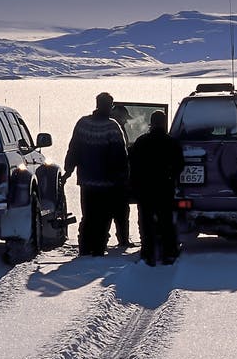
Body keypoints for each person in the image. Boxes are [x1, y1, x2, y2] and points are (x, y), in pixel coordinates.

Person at [64, 92, 129, 256]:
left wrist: (68, 170)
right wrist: (123, 177)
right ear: (108, 106)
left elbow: (74, 149)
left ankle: (85, 248)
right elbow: (120, 156)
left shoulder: (82, 124)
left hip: (86, 181)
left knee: (88, 216)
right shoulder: (112, 127)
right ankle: (98, 249)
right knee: (104, 217)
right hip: (107, 183)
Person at [127, 109, 184, 266]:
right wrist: (171, 176)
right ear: (164, 123)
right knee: (166, 221)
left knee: (146, 222)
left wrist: (135, 185)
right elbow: (180, 165)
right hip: (165, 188)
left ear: (151, 123)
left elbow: (132, 164)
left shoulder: (141, 142)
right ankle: (169, 253)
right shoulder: (172, 142)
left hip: (145, 189)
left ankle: (148, 253)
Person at [109, 104, 134, 249]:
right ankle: (122, 240)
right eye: (124, 119)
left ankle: (122, 239)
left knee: (120, 211)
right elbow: (121, 153)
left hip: (113, 177)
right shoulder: (114, 128)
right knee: (119, 211)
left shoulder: (118, 128)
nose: (125, 121)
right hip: (115, 178)